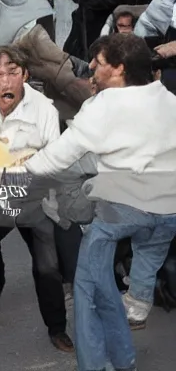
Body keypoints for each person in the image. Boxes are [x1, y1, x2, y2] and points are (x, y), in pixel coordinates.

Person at [25, 34, 176, 371]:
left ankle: (98, 364)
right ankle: (135, 309)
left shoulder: (105, 105)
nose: (93, 68)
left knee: (91, 293)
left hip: (124, 208)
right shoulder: (167, 99)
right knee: (147, 254)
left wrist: (20, 171)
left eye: (100, 63)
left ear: (119, 69)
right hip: (168, 211)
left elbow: (57, 158)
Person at [0, 47, 74, 352]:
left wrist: (27, 166)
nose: (6, 80)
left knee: (47, 266)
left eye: (13, 72)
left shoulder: (44, 109)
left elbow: (56, 156)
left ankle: (57, 328)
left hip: (31, 195)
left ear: (25, 75)